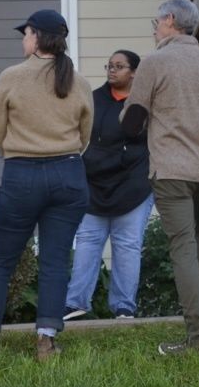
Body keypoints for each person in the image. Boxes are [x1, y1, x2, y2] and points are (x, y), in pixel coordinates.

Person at [0, 10, 91, 361]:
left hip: (22, 174)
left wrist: (19, 156)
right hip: (69, 174)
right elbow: (85, 136)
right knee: (55, 260)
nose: (22, 40)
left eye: (25, 34)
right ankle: (46, 341)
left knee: (0, 259)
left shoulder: (12, 76)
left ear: (35, 37)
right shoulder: (78, 81)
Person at [121, 0, 199, 356]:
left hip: (171, 169)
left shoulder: (155, 63)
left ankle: (198, 338)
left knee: (182, 245)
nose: (154, 29)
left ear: (170, 20)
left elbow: (130, 124)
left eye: (155, 22)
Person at [64, 48, 152, 321]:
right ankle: (75, 303)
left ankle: (124, 307)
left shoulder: (145, 102)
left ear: (134, 72)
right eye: (109, 65)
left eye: (119, 66)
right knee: (88, 242)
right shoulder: (93, 100)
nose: (112, 70)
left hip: (133, 186)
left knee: (127, 246)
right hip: (94, 185)